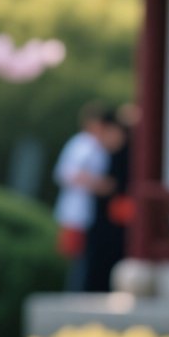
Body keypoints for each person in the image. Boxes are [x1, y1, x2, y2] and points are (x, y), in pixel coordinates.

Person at [54, 102, 113, 292]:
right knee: (77, 259)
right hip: (77, 212)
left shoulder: (102, 145)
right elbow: (66, 173)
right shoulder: (81, 144)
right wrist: (97, 184)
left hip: (94, 213)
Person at [80, 105, 132, 293]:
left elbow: (116, 185)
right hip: (102, 221)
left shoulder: (129, 152)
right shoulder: (101, 153)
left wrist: (90, 182)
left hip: (118, 223)